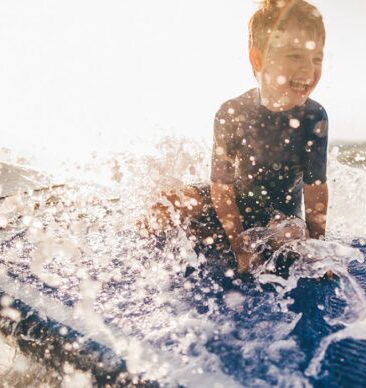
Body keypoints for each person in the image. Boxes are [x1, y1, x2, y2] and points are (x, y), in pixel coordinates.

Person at [141, 0, 329, 274]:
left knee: (290, 237)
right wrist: (239, 247)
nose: (308, 71)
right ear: (258, 59)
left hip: (279, 217)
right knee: (164, 206)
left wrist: (320, 253)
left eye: (317, 58)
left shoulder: (314, 117)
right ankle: (151, 267)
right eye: (295, 56)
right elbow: (221, 188)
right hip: (231, 207)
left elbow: (315, 191)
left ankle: (226, 242)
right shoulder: (232, 113)